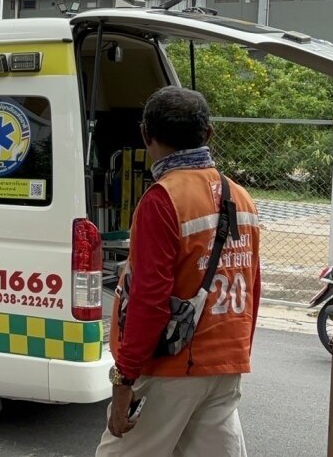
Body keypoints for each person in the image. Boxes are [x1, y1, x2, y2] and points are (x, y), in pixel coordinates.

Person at [97, 86, 261, 457]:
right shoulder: (239, 196)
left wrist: (124, 378)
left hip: (171, 366)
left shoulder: (162, 199)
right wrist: (237, 350)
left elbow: (149, 299)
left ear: (145, 134)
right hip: (225, 362)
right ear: (208, 134)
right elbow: (253, 285)